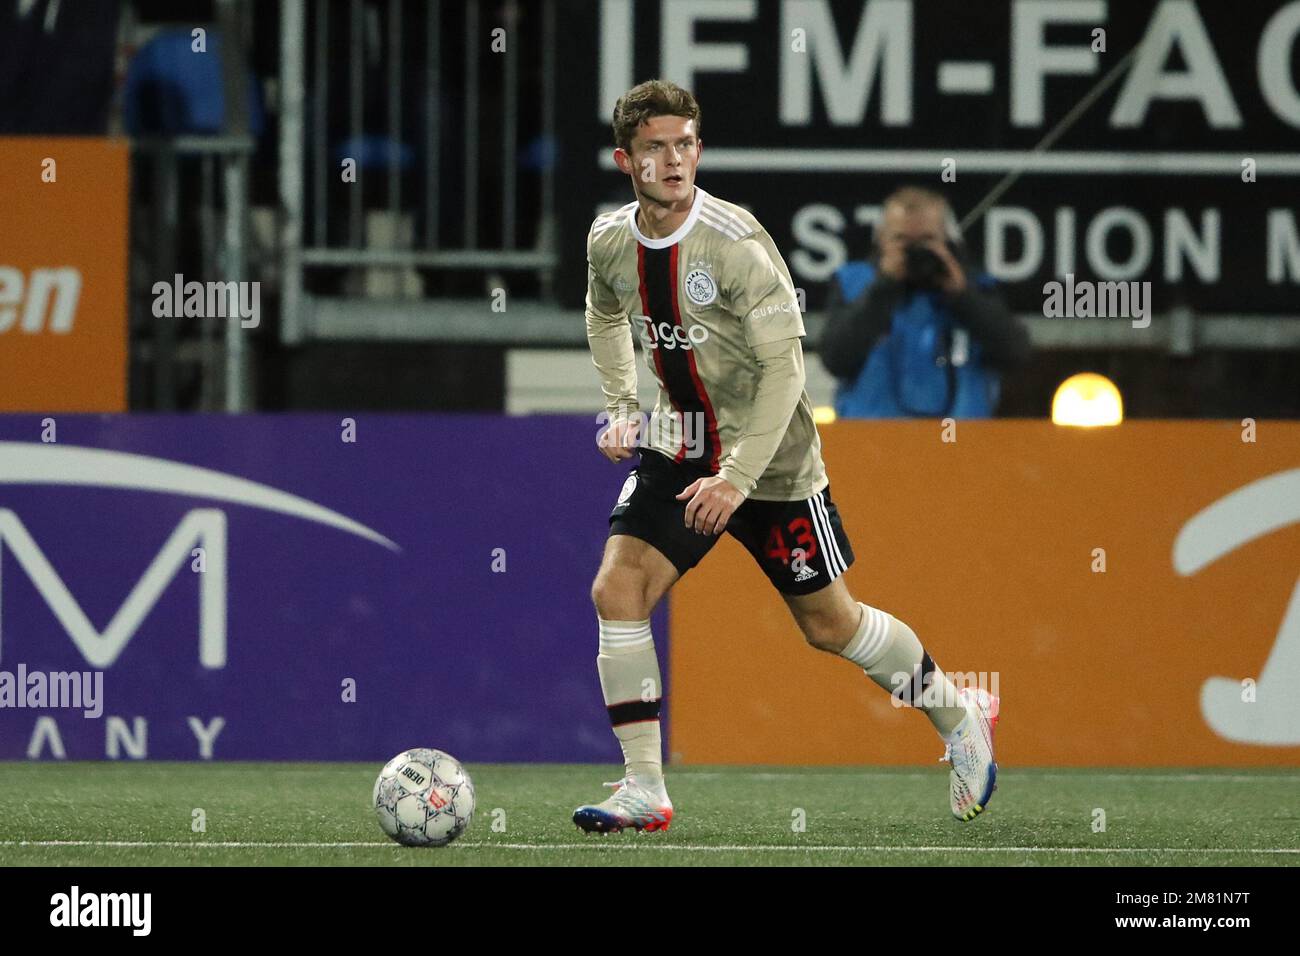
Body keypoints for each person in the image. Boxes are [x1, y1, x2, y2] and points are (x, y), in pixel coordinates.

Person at [578, 80, 999, 834]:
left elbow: (788, 373)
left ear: (698, 150)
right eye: (655, 148)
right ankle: (645, 787)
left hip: (770, 460)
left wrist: (737, 479)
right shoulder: (610, 240)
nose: (674, 161)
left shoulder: (736, 244)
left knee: (830, 626)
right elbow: (605, 311)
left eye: (685, 144)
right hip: (680, 443)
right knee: (617, 590)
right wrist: (619, 405)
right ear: (625, 159)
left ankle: (959, 714)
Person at [820, 187, 1030, 418]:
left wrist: (963, 297)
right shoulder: (853, 283)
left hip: (962, 444)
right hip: (872, 442)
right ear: (881, 237)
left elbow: (1015, 353)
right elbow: (835, 359)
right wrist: (884, 288)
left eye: (926, 241)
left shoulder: (977, 286)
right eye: (902, 240)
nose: (915, 252)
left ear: (947, 240)